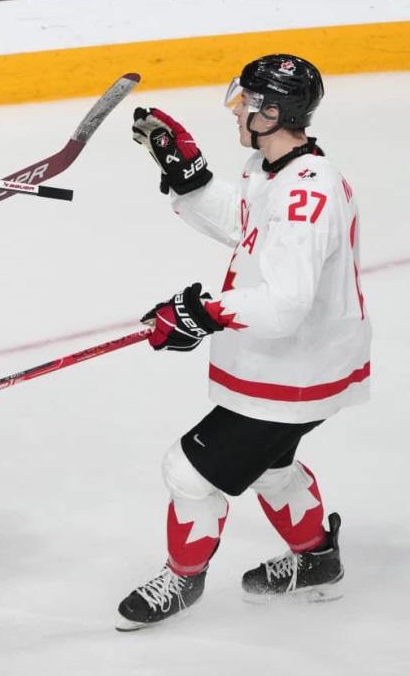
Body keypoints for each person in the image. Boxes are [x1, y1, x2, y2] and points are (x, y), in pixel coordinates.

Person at [114, 54, 370, 631]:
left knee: (187, 473)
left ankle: (182, 578)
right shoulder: (272, 169)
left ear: (272, 113)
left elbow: (285, 303)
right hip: (299, 363)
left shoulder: (311, 193)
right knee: (270, 469)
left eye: (246, 104)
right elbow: (248, 223)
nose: (237, 112)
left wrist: (202, 312)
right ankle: (317, 562)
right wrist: (192, 179)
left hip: (296, 372)